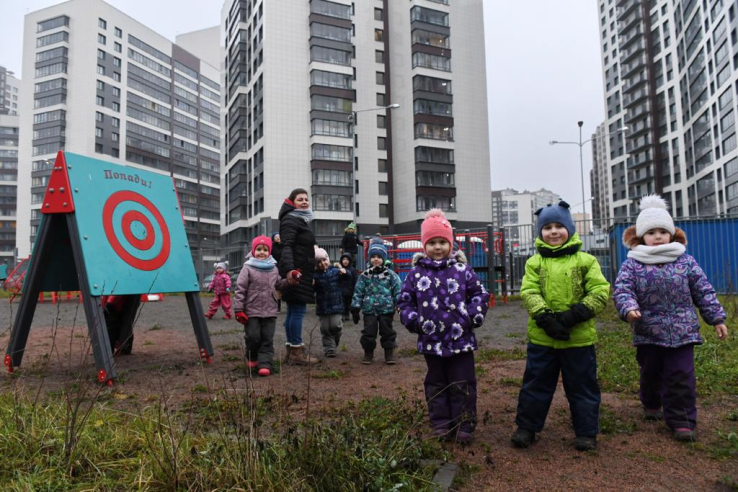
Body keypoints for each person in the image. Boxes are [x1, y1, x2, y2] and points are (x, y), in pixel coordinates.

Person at [614, 195, 729, 442]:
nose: (657, 236)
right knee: (651, 372)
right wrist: (629, 308)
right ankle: (652, 402)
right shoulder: (633, 264)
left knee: (681, 376)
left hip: (683, 331)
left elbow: (703, 290)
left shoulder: (685, 261)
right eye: (651, 232)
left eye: (663, 231)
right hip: (648, 331)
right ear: (641, 237)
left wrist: (717, 318)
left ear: (672, 234)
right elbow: (623, 289)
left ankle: (682, 420)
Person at [511, 201, 610, 452]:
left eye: (559, 226)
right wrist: (544, 318)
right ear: (539, 232)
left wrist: (572, 316)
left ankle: (586, 432)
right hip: (543, 338)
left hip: (578, 339)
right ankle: (527, 427)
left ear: (570, 229)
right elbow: (529, 291)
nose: (553, 232)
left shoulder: (586, 261)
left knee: (582, 386)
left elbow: (599, 291)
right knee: (535, 384)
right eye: (547, 227)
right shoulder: (534, 263)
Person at [398, 209, 489, 444]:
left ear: (451, 243)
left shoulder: (462, 270)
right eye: (432, 242)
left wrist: (472, 317)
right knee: (436, 383)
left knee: (463, 383)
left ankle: (464, 425)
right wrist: (413, 321)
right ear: (424, 245)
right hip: (431, 341)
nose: (437, 247)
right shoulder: (416, 273)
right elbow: (405, 300)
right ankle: (440, 423)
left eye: (442, 242)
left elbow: (479, 294)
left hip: (461, 340)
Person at [233, 236, 287, 377]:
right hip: (252, 310)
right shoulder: (248, 268)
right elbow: (240, 288)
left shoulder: (273, 268)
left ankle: (265, 363)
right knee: (253, 336)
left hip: (270, 310)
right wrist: (238, 309)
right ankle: (252, 356)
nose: (262, 252)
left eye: (265, 249)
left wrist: (291, 280)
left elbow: (279, 284)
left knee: (267, 338)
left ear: (269, 252)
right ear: (253, 251)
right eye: (258, 249)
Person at [278, 188, 319, 365]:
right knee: (298, 312)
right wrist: (289, 270)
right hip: (297, 272)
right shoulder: (291, 220)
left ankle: (291, 350)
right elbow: (286, 246)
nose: (304, 202)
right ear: (292, 202)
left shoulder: (300, 219)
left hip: (302, 270)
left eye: (306, 199)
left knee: (293, 311)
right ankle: (296, 351)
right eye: (300, 199)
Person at [351, 237, 402, 365]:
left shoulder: (390, 274)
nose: (376, 259)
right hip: (369, 309)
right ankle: (368, 354)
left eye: (379, 257)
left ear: (383, 258)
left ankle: (389, 354)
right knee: (368, 332)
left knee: (388, 332)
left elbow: (398, 290)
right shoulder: (365, 275)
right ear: (369, 258)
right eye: (373, 256)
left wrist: (400, 305)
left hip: (386, 309)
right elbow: (358, 291)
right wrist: (355, 307)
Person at [313, 248, 347, 358]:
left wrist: (345, 272)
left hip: (336, 305)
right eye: (319, 262)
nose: (322, 263)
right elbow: (311, 290)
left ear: (328, 259)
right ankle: (329, 348)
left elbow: (349, 277)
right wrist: (311, 284)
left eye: (324, 260)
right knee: (325, 328)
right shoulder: (315, 276)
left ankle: (335, 339)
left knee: (336, 326)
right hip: (323, 306)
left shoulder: (336, 271)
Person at [339, 252, 358, 321]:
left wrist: (355, 288)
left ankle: (347, 314)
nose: (345, 261)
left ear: (350, 261)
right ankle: (343, 314)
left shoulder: (353, 270)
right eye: (344, 259)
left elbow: (355, 279)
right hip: (341, 290)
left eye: (347, 259)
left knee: (349, 304)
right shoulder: (340, 269)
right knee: (342, 303)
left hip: (350, 290)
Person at [271, 232, 283, 313]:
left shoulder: (284, 246)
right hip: (276, 268)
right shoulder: (272, 248)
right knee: (278, 287)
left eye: (279, 236)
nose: (278, 237)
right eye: (276, 236)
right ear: (273, 238)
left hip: (284, 267)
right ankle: (278, 306)